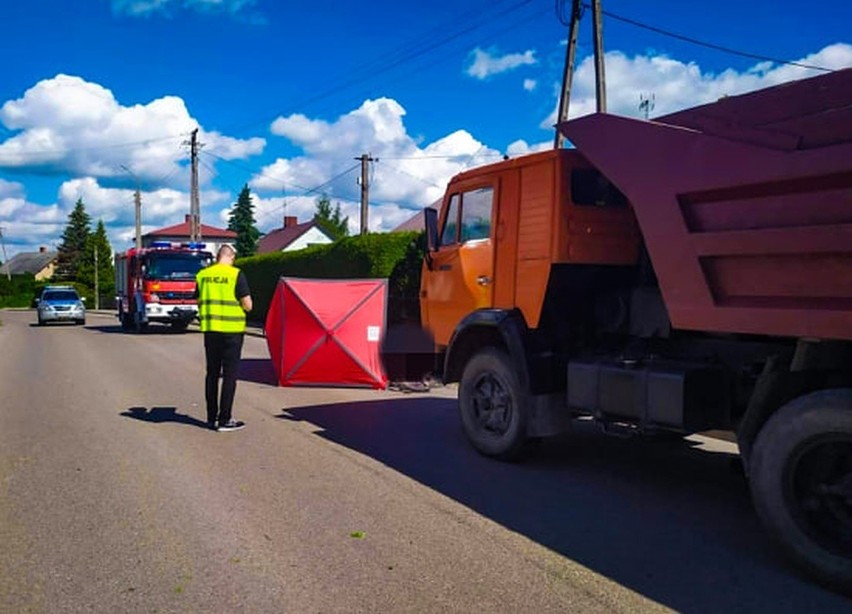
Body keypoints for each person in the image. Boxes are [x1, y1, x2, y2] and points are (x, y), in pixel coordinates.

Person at [196, 243, 252, 432]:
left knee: (212, 374)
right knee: (229, 375)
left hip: (210, 330)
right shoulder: (236, 274)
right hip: (232, 331)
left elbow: (198, 298)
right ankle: (225, 419)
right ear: (232, 257)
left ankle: (211, 417)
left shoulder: (202, 276)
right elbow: (248, 304)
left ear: (218, 256)